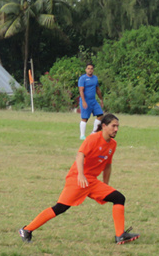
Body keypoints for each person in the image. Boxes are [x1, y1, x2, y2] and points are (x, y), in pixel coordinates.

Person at [19, 113, 139, 245]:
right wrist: (81, 175)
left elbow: (108, 165)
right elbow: (80, 155)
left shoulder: (112, 144)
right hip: (77, 178)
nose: (116, 129)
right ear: (104, 126)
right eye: (113, 126)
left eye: (117, 126)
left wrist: (106, 185)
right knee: (60, 208)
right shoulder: (93, 139)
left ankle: (120, 235)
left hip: (92, 181)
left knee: (118, 198)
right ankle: (26, 230)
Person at [78, 63, 104, 140]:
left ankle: (93, 132)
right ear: (86, 69)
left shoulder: (95, 78)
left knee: (100, 115)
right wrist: (83, 101)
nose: (90, 70)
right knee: (85, 118)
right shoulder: (82, 79)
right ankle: (82, 135)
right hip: (86, 100)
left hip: (93, 101)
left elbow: (97, 90)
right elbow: (81, 90)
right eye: (88, 68)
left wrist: (101, 99)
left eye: (91, 68)